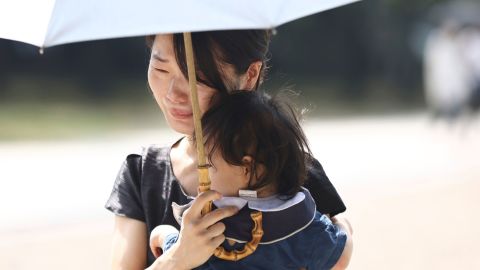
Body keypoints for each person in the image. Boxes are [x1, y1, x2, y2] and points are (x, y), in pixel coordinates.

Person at [105, 30, 347, 269]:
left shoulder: (284, 166)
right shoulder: (142, 173)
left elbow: (333, 249)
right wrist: (176, 259)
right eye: (161, 69)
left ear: (251, 74)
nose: (173, 94)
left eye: (197, 77)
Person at [149, 90, 353, 269]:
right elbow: (339, 261)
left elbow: (183, 250)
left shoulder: (214, 219)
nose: (203, 173)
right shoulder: (299, 218)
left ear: (246, 167)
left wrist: (162, 234)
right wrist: (343, 226)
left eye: (210, 165)